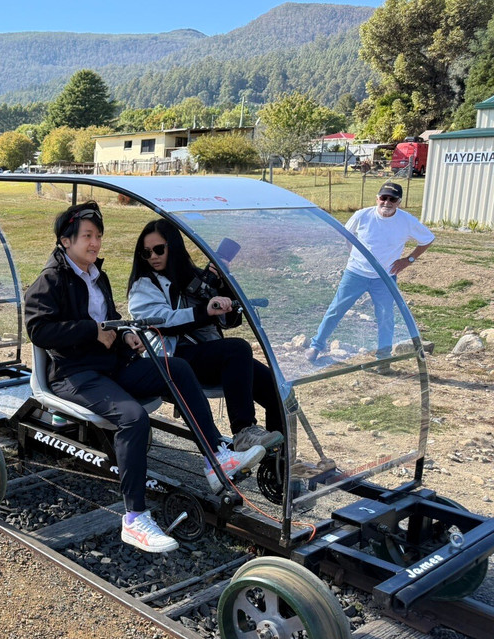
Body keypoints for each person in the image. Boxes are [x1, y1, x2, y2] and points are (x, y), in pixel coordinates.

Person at [25, 202, 265, 555]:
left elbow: (111, 318)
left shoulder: (97, 276)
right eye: (87, 236)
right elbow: (38, 330)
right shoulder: (51, 280)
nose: (95, 243)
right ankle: (134, 518)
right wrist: (92, 330)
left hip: (110, 365)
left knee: (176, 367)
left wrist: (125, 335)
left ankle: (216, 458)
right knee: (134, 418)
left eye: (98, 236)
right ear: (66, 241)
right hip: (74, 373)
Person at [127, 219, 284, 459]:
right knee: (237, 348)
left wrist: (224, 286)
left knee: (276, 389)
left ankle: (278, 464)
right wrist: (205, 311)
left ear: (174, 247)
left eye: (159, 249)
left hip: (205, 353)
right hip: (170, 357)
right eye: (146, 252)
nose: (153, 257)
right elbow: (162, 321)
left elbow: (228, 321)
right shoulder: (143, 285)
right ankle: (243, 430)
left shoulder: (193, 277)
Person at [305, 182, 435, 365]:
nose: (387, 202)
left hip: (385, 278)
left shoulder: (407, 221)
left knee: (386, 317)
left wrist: (409, 259)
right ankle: (316, 346)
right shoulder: (362, 215)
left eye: (392, 199)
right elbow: (346, 235)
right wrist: (353, 255)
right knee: (336, 310)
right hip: (355, 274)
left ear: (399, 202)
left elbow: (428, 239)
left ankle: (383, 359)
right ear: (377, 198)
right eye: (383, 198)